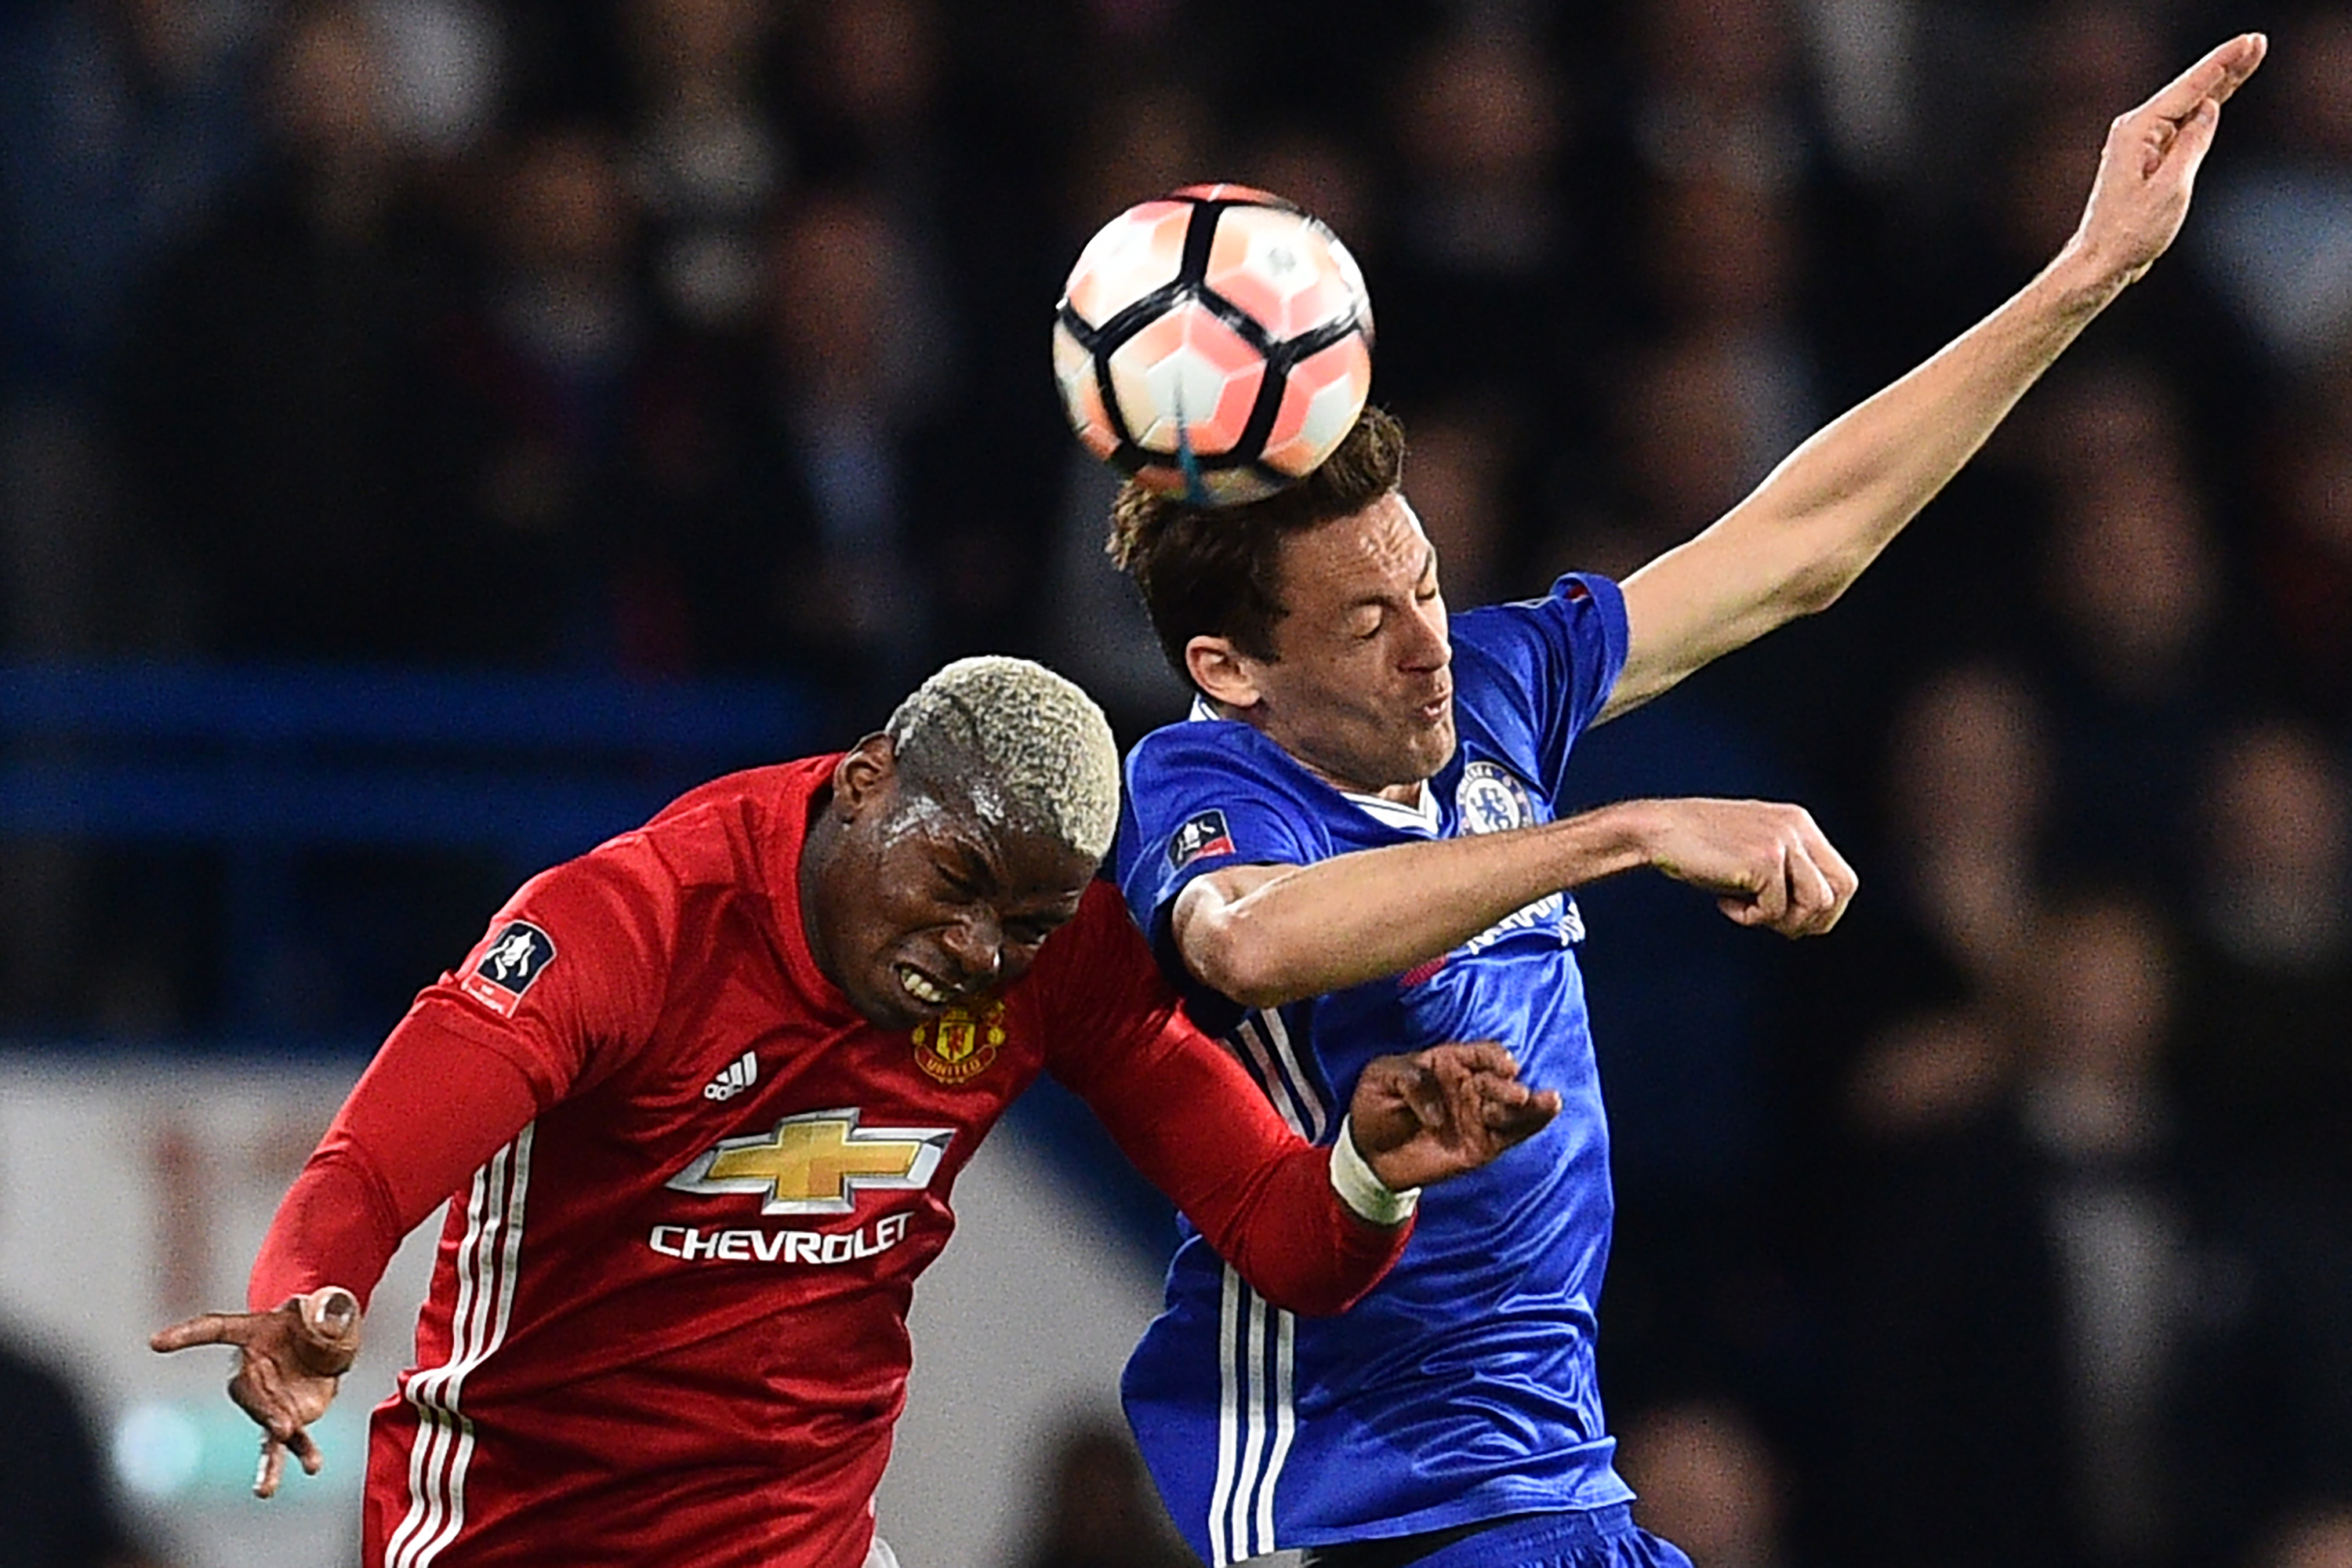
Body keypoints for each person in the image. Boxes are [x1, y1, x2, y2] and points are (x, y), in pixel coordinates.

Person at [1101, 34, 2264, 1568]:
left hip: (1553, 1479)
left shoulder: (1492, 687)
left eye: (1427, 582)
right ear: (1230, 667)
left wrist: (2085, 273)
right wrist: (1626, 830)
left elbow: (1803, 542)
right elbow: (1249, 942)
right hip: (1365, 1500)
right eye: (1368, 623)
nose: (1430, 641)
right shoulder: (1200, 781)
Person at [149, 655, 1559, 1568]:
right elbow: (367, 1167)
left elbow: (1286, 1234)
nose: (980, 950)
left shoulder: (1063, 964)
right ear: (868, 777)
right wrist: (307, 1294)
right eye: (958, 884)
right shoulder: (633, 923)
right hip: (521, 1536)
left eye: (1027, 920)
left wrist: (1371, 1168)